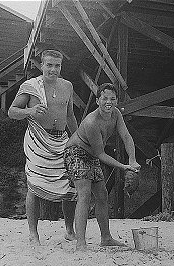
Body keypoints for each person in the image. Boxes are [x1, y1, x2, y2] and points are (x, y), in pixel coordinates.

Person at [8, 49, 78, 246]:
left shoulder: (67, 86)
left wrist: (79, 138)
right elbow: (12, 111)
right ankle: (33, 233)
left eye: (57, 66)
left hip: (61, 141)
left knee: (69, 186)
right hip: (37, 140)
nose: (53, 69)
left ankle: (70, 230)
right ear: (42, 65)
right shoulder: (30, 86)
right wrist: (30, 110)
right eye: (49, 65)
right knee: (35, 185)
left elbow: (70, 115)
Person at [64, 83, 140, 251]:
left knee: (102, 195)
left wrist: (133, 160)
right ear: (97, 100)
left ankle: (106, 238)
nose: (108, 102)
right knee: (84, 195)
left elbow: (126, 136)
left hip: (92, 155)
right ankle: (80, 242)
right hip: (75, 152)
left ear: (116, 101)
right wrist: (124, 166)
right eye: (104, 98)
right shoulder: (91, 122)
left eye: (112, 99)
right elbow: (101, 154)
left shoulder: (116, 114)